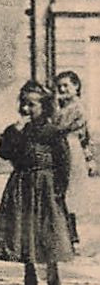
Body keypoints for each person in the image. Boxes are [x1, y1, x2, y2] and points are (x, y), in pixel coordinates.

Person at [0, 81, 73, 285]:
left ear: (44, 107)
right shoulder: (17, 130)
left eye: (31, 105)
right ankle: (29, 281)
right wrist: (13, 132)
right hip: (22, 185)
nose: (26, 109)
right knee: (24, 232)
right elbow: (5, 153)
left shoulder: (52, 132)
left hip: (46, 187)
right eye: (23, 104)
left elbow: (63, 162)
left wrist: (59, 190)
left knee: (48, 234)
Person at [52, 71, 91, 248]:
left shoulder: (75, 108)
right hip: (63, 148)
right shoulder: (64, 107)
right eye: (59, 86)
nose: (62, 89)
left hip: (69, 150)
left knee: (67, 192)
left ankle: (70, 236)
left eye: (66, 85)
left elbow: (58, 128)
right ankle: (68, 234)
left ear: (76, 86)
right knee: (62, 192)